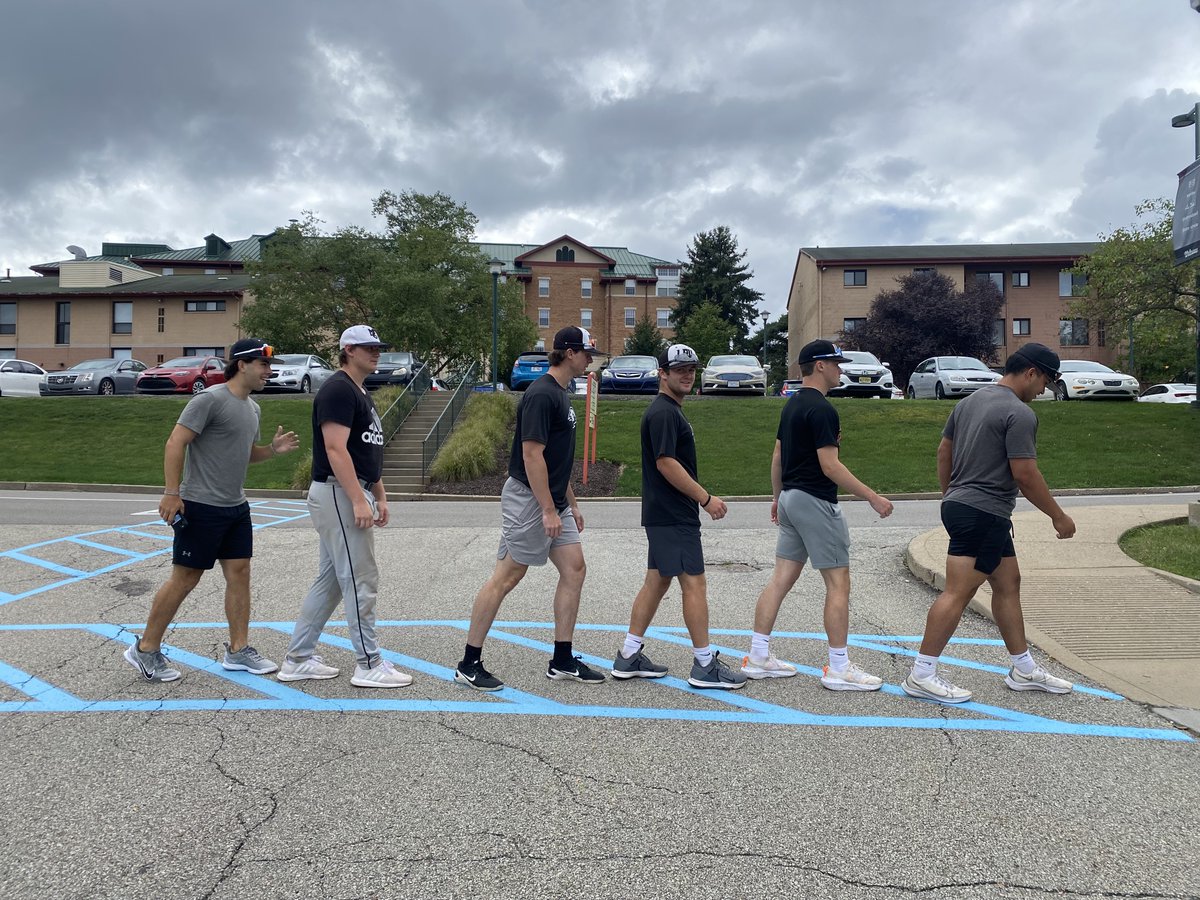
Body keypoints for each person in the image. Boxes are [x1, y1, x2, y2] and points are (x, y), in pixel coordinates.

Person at [902, 343, 1076, 704]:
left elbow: (943, 452)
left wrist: (951, 496)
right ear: (1031, 372)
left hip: (969, 508)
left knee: (1008, 582)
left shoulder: (969, 402)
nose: (1043, 390)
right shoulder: (1019, 413)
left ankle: (1023, 668)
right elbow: (1025, 474)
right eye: (1045, 381)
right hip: (984, 512)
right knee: (958, 592)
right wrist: (1058, 516)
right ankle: (922, 674)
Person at [123, 338, 300, 682]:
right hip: (201, 505)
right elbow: (176, 442)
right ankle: (145, 649)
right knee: (185, 578)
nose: (269, 370)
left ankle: (238, 650)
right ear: (243, 365)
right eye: (263, 365)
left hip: (235, 506)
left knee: (240, 573)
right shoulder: (209, 400)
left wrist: (272, 450)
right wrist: (172, 493)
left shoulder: (252, 408)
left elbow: (245, 453)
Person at [454, 326, 605, 691]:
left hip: (553, 501)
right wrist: (547, 510)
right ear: (569, 353)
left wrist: (570, 503)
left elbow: (556, 459)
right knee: (507, 576)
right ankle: (468, 663)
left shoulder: (561, 393)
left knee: (575, 569)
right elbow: (531, 454)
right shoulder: (541, 394)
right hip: (529, 500)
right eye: (587, 353)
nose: (590, 360)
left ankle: (562, 660)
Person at [742, 340, 894, 690]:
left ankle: (759, 655)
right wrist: (873, 497)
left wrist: (777, 499)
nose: (841, 369)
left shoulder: (792, 406)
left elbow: (778, 455)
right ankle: (839, 667)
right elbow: (830, 466)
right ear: (820, 366)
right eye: (836, 363)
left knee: (780, 579)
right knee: (838, 583)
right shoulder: (823, 410)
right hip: (815, 501)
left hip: (792, 499)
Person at [279, 324, 413, 689]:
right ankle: (368, 663)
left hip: (351, 491)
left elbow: (365, 450)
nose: (377, 352)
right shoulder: (338, 389)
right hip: (339, 492)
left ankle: (298, 658)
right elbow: (335, 450)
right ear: (348, 350)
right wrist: (358, 499)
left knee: (332, 581)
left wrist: (379, 494)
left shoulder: (359, 391)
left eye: (378, 346)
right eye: (369, 347)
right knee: (361, 579)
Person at [611, 343, 747, 689]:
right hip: (673, 514)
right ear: (663, 374)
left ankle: (628, 656)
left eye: (691, 369)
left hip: (665, 513)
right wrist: (705, 498)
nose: (687, 375)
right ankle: (704, 665)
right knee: (694, 583)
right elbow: (666, 462)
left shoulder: (669, 410)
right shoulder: (664, 413)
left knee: (657, 581)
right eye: (679, 370)